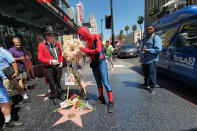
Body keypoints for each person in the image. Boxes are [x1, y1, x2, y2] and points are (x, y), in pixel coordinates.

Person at [78, 26, 114, 113]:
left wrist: (87, 51)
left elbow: (98, 50)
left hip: (101, 62)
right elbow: (88, 54)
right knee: (98, 82)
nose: (81, 38)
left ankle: (111, 102)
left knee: (105, 82)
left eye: (81, 36)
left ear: (84, 33)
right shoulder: (87, 42)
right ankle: (101, 98)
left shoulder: (96, 36)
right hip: (94, 63)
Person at [38, 25, 64, 105]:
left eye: (53, 34)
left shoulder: (58, 44)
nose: (53, 36)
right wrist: (50, 61)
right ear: (46, 36)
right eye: (51, 35)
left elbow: (60, 54)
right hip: (49, 68)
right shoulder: (41, 45)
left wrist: (61, 61)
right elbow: (40, 58)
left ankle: (60, 94)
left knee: (58, 81)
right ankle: (54, 95)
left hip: (58, 66)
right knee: (52, 83)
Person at [140, 25, 162, 94]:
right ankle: (146, 83)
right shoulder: (144, 39)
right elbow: (142, 49)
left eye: (150, 29)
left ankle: (152, 86)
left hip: (152, 59)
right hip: (145, 59)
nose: (148, 30)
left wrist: (149, 50)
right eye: (147, 29)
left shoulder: (156, 38)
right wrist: (140, 57)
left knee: (152, 73)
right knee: (145, 72)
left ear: (153, 30)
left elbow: (158, 49)